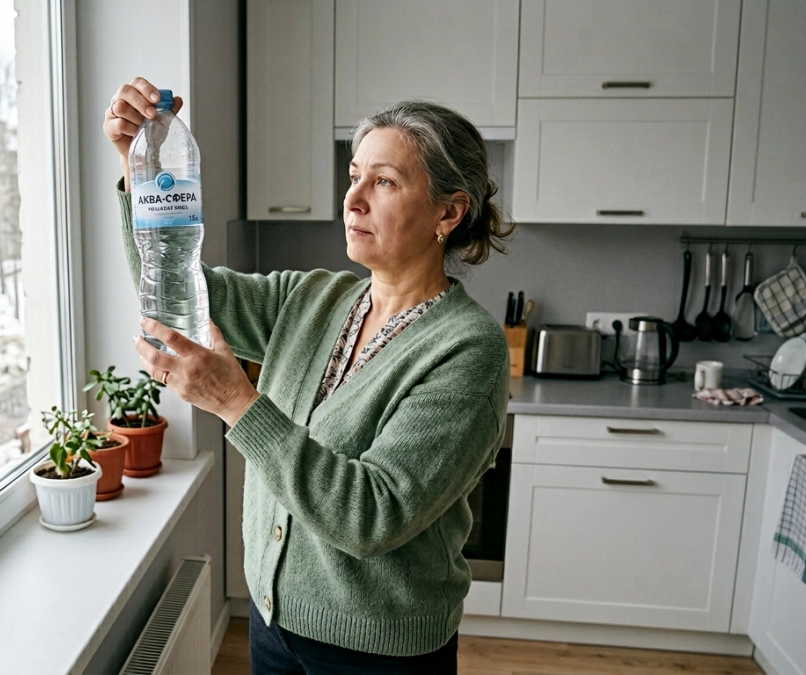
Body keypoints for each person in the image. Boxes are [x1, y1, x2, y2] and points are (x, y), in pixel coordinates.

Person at [104, 77, 512, 674]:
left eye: (385, 182)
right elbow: (177, 294)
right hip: (273, 624)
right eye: (354, 177)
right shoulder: (313, 298)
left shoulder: (468, 350)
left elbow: (373, 516)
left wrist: (238, 405)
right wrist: (140, 171)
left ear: (448, 212)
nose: (353, 200)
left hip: (377, 653)